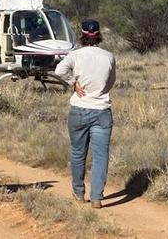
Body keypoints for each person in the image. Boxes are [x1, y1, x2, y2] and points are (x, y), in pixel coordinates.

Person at [55, 19, 116, 209]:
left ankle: (79, 192)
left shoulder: (75, 55)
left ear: (81, 35)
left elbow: (59, 70)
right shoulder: (108, 56)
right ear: (99, 35)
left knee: (78, 151)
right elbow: (111, 81)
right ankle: (97, 197)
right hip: (102, 109)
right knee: (100, 155)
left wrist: (73, 82)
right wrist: (100, 91)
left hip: (80, 108)